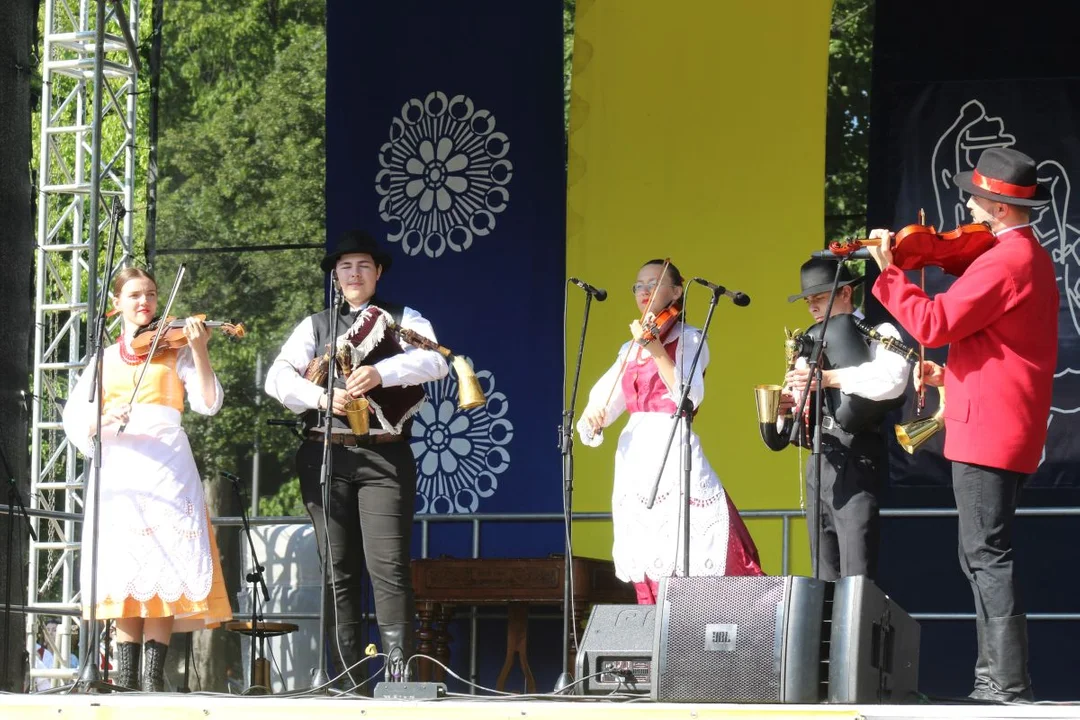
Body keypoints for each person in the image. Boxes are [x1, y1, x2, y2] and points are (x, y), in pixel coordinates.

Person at [867, 147, 1057, 703]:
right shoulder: (1030, 257)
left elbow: (935, 318)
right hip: (1004, 420)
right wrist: (951, 374)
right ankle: (992, 679)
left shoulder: (1004, 260)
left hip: (990, 430)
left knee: (984, 555)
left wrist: (889, 273)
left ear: (998, 209)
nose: (969, 208)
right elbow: (1007, 349)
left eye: (976, 200)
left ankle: (1004, 682)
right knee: (982, 554)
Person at [265, 230, 448, 687]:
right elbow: (277, 380)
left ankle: (397, 678)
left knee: (387, 568)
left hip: (384, 459)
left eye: (363, 266)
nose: (353, 274)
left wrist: (380, 371)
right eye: (345, 267)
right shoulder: (315, 325)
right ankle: (348, 679)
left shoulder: (403, 317)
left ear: (378, 272)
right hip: (325, 456)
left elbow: (435, 363)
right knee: (337, 571)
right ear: (335, 275)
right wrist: (322, 398)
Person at [61, 267, 232, 692]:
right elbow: (73, 418)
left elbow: (209, 403)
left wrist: (201, 349)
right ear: (116, 304)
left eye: (152, 295)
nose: (146, 303)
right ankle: (125, 677)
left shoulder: (178, 351)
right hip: (122, 470)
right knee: (125, 569)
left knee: (164, 563)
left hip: (167, 466)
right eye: (135, 295)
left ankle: (154, 679)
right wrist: (101, 419)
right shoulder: (104, 359)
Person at [576, 259, 764, 604]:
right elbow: (606, 398)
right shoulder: (629, 349)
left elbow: (687, 397)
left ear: (676, 292)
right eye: (638, 286)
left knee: (686, 539)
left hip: (672, 443)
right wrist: (595, 417)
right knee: (644, 545)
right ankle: (654, 633)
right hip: (635, 451)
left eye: (654, 283)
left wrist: (655, 348)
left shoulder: (690, 338)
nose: (644, 291)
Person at [778, 259, 910, 581]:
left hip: (859, 456)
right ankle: (823, 632)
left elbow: (893, 378)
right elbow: (799, 404)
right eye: (809, 302)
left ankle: (856, 632)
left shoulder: (879, 331)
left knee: (856, 572)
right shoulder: (809, 341)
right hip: (818, 462)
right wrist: (783, 410)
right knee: (822, 571)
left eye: (819, 299)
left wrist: (830, 377)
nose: (812, 309)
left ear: (846, 293)